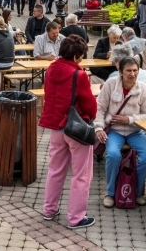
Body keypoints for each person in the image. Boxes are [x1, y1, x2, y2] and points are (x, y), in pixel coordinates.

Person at [38, 35, 97, 229]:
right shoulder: (78, 75)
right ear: (77, 56)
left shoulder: (51, 69)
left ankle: (49, 209)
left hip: (55, 126)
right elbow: (89, 105)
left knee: (55, 170)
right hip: (75, 128)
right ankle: (75, 218)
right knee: (81, 174)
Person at [95, 56, 146, 208]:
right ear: (120, 72)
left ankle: (134, 191)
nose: (132, 74)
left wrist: (128, 119)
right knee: (113, 155)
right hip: (114, 131)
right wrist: (98, 128)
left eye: (135, 70)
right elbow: (99, 108)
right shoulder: (110, 84)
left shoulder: (143, 88)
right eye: (128, 70)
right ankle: (110, 193)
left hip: (135, 131)